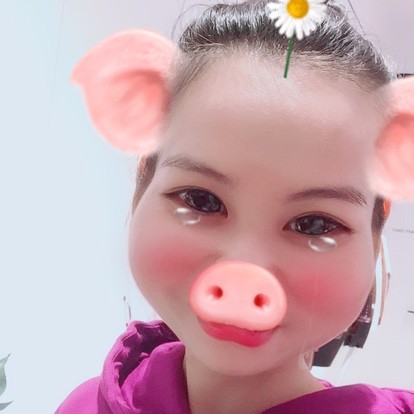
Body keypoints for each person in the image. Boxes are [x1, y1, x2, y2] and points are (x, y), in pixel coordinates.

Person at [56, 1, 414, 413]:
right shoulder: (85, 404)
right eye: (201, 200)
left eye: (314, 224)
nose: (245, 268)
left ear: (375, 232)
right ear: (143, 183)